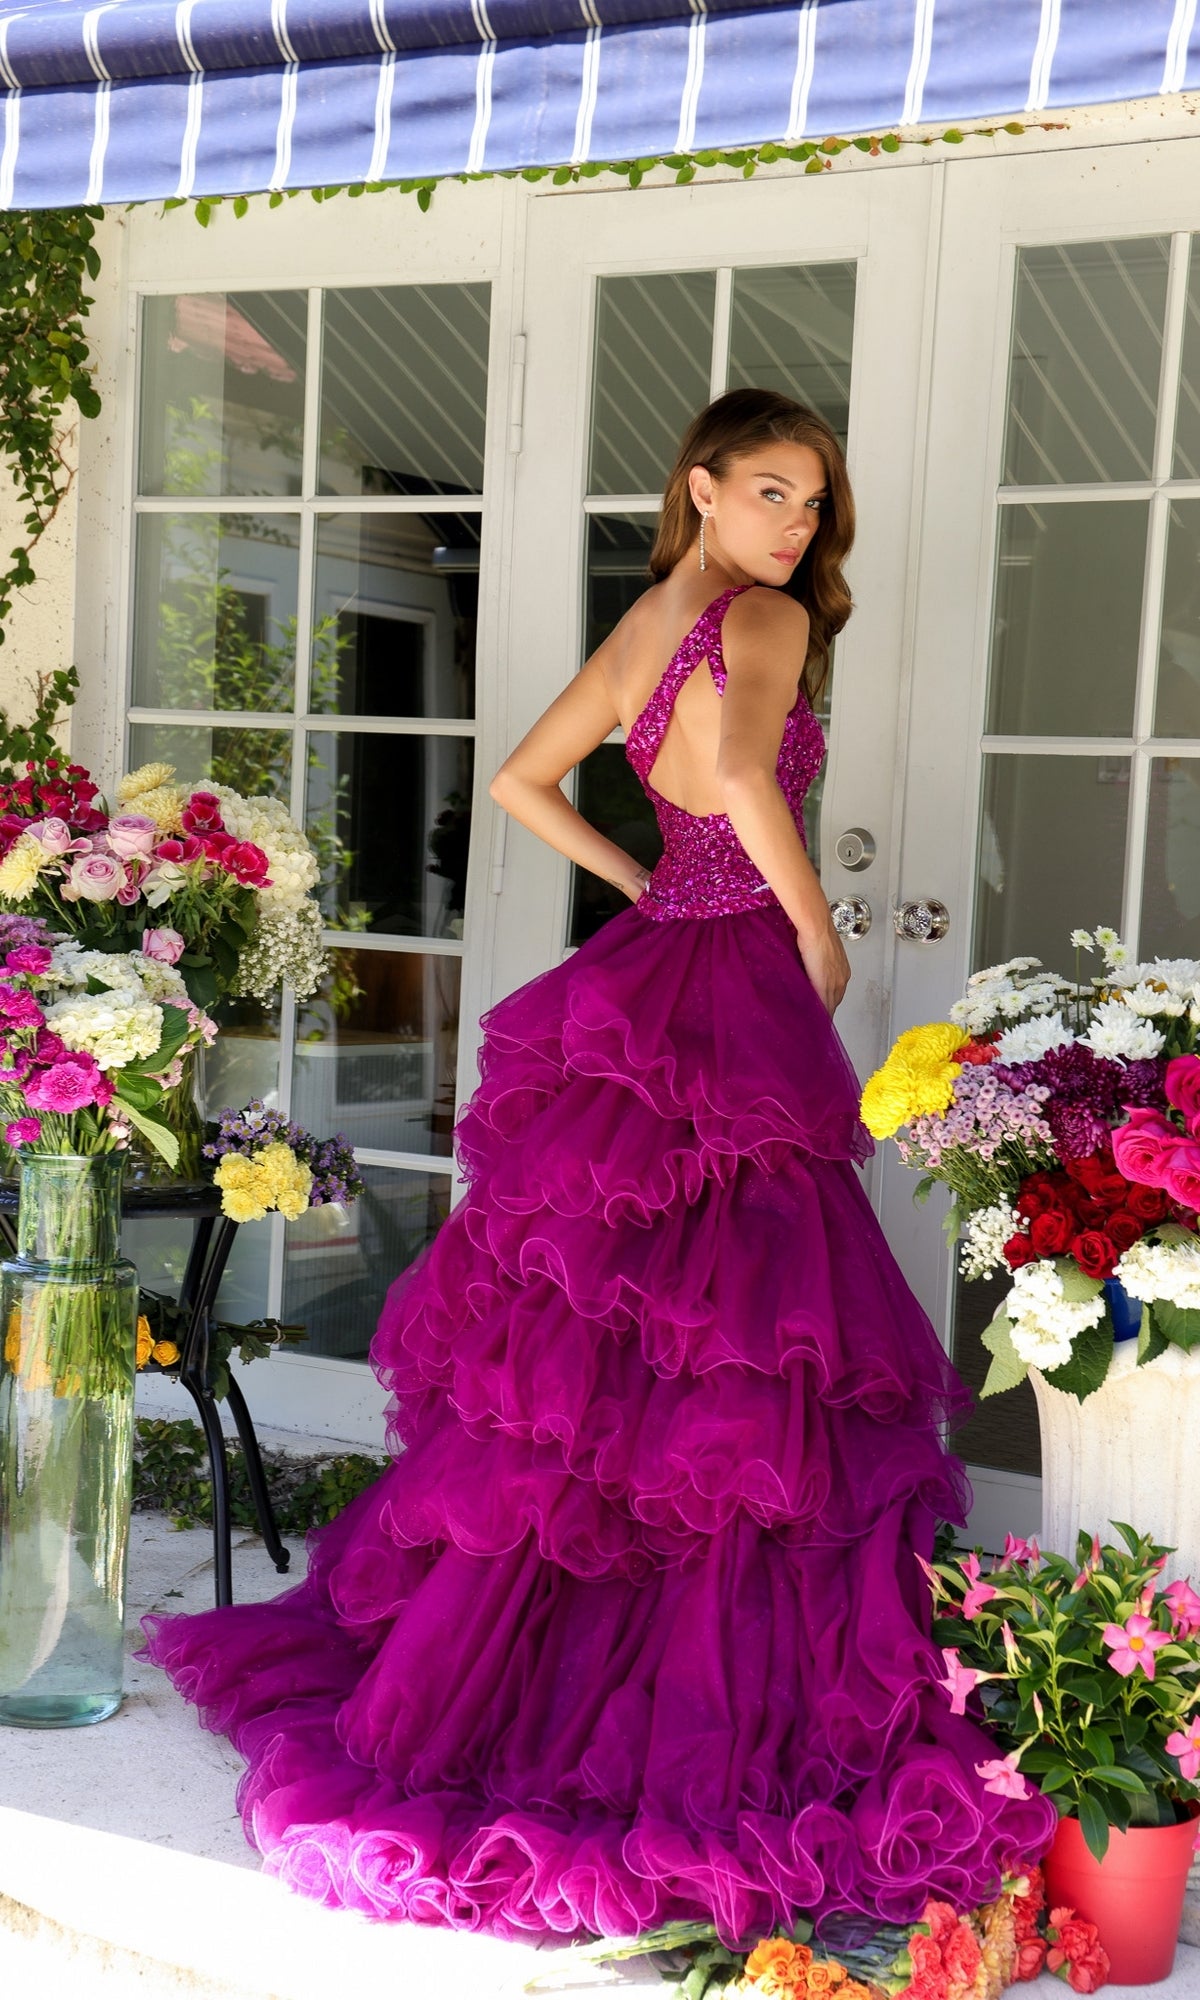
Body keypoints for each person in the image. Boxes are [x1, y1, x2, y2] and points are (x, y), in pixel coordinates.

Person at [142, 390, 1055, 1945]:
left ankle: (553, 1669)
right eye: (770, 493)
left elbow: (521, 781)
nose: (794, 527)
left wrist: (645, 880)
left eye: (812, 504)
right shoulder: (759, 618)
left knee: (610, 1349)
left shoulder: (650, 625)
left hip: (659, 969)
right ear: (700, 486)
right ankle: (682, 1685)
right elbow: (749, 777)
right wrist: (816, 930)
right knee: (746, 1335)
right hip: (737, 975)